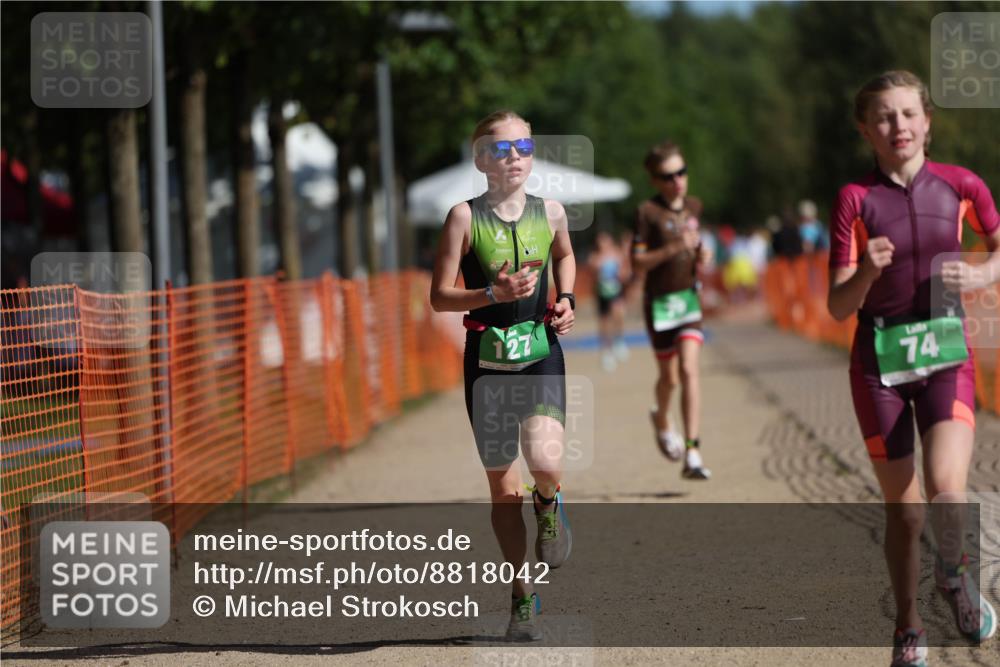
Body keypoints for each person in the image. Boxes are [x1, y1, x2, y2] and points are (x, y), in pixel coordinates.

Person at [827, 70, 999, 667]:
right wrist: (868, 271)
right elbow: (836, 305)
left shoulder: (962, 185)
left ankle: (953, 577)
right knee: (905, 511)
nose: (897, 126)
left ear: (927, 121)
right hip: (879, 363)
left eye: (907, 114)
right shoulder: (855, 199)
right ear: (864, 130)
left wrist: (980, 274)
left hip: (947, 352)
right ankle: (907, 626)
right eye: (883, 116)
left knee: (949, 488)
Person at [429, 110, 576, 642]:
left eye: (523, 146)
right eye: (500, 149)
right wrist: (492, 294)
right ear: (480, 160)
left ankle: (550, 502)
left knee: (546, 460)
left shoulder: (553, 212)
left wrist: (567, 299)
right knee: (501, 487)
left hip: (540, 352)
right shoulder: (462, 218)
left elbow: (565, 257)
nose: (513, 157)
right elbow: (439, 296)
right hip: (487, 362)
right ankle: (522, 596)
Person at [632, 141, 712, 478]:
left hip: (689, 302)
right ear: (654, 181)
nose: (677, 181)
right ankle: (661, 419)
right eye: (667, 177)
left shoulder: (693, 207)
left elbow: (696, 248)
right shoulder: (647, 212)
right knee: (670, 377)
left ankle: (692, 453)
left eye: (681, 172)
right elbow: (637, 262)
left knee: (691, 371)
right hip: (660, 305)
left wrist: (701, 255)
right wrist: (675, 248)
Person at [589, 230, 628, 371]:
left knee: (619, 314)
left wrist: (621, 273)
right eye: (600, 242)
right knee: (604, 323)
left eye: (605, 241)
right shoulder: (595, 258)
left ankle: (619, 340)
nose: (602, 244)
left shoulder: (616, 254)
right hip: (602, 294)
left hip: (616, 291)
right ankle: (607, 351)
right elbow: (592, 274)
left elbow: (624, 272)